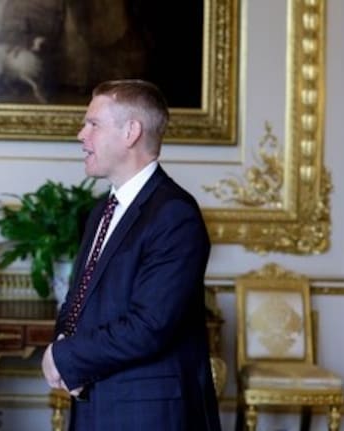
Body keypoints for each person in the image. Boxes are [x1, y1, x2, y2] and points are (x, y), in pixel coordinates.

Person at [41, 79, 220, 430]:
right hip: (96, 399)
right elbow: (78, 298)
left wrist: (65, 357)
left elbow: (150, 325)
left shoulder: (174, 213)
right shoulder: (102, 209)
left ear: (131, 132)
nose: (81, 135)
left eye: (93, 124)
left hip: (148, 414)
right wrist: (65, 351)